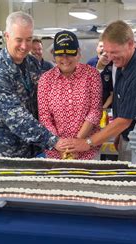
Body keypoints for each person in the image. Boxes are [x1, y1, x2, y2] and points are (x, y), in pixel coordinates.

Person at [66, 20, 136, 162]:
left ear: (130, 44)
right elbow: (122, 104)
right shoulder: (123, 64)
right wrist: (119, 135)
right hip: (129, 138)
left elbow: (124, 121)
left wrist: (87, 143)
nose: (109, 57)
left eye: (114, 52)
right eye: (107, 52)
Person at [0, 11, 67, 157]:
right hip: (2, 152)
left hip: (31, 149)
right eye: (19, 40)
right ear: (7, 36)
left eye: (29, 39)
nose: (24, 46)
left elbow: (44, 101)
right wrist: (54, 141)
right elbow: (15, 117)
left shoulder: (32, 63)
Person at [38, 31, 102, 160]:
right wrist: (59, 143)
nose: (65, 59)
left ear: (78, 53)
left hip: (86, 149)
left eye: (70, 54)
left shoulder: (92, 75)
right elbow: (44, 117)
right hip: (56, 151)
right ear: (54, 55)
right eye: (60, 54)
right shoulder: (45, 80)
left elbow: (95, 112)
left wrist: (77, 142)